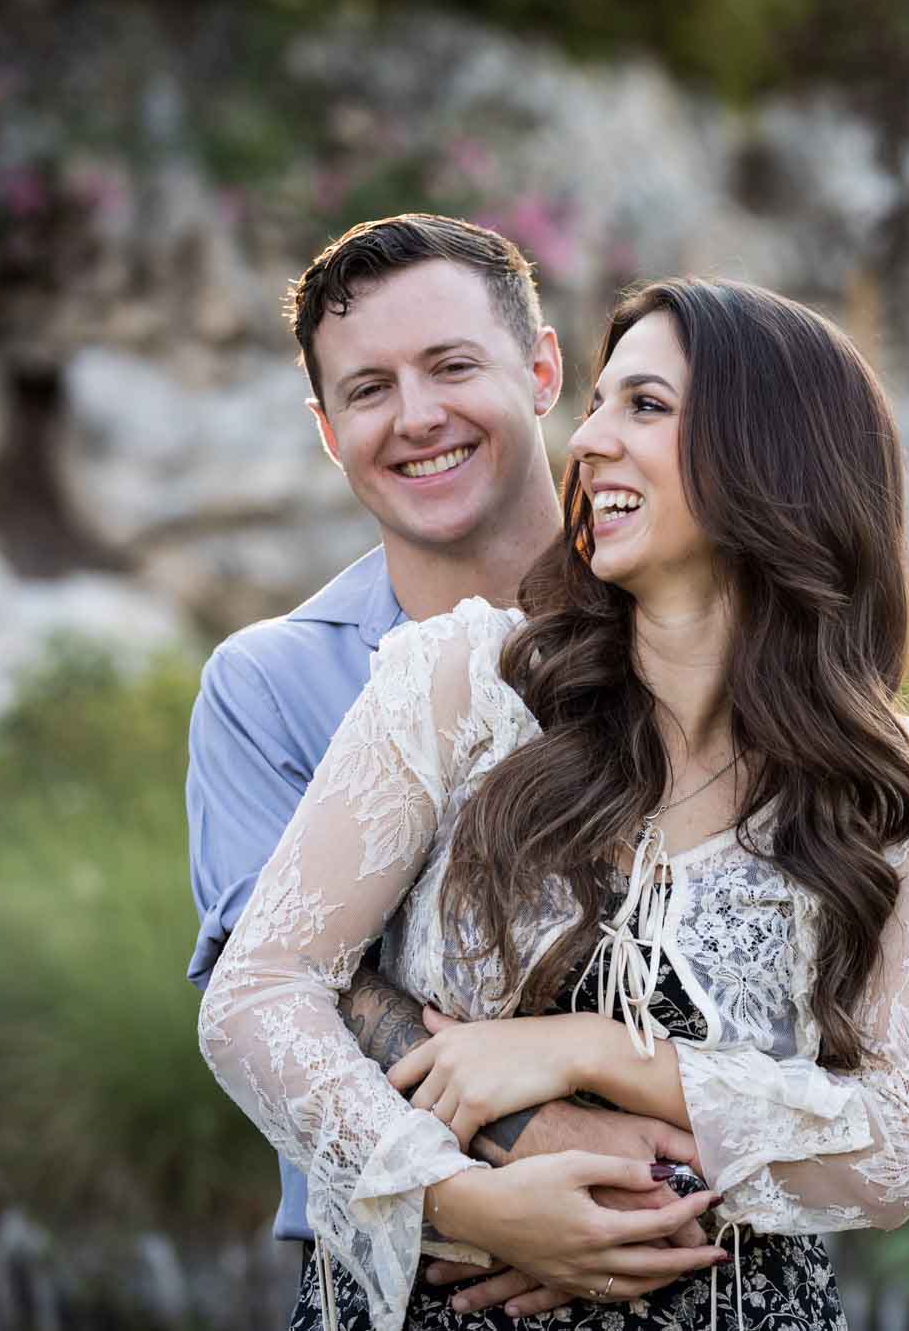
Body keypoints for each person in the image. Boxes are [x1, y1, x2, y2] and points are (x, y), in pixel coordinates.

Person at [198, 277, 909, 1331]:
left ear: (772, 456)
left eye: (642, 407)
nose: (589, 440)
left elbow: (892, 1153)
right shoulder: (459, 684)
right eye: (595, 404)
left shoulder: (895, 781)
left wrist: (591, 1050)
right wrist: (462, 1198)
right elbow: (258, 996)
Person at [186, 215, 728, 1327]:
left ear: (540, 370)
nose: (417, 416)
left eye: (450, 366)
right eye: (368, 389)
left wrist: (633, 1202)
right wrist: (508, 1188)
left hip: (699, 1261)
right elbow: (288, 983)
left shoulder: (689, 637)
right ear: (327, 432)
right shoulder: (271, 685)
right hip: (407, 1278)